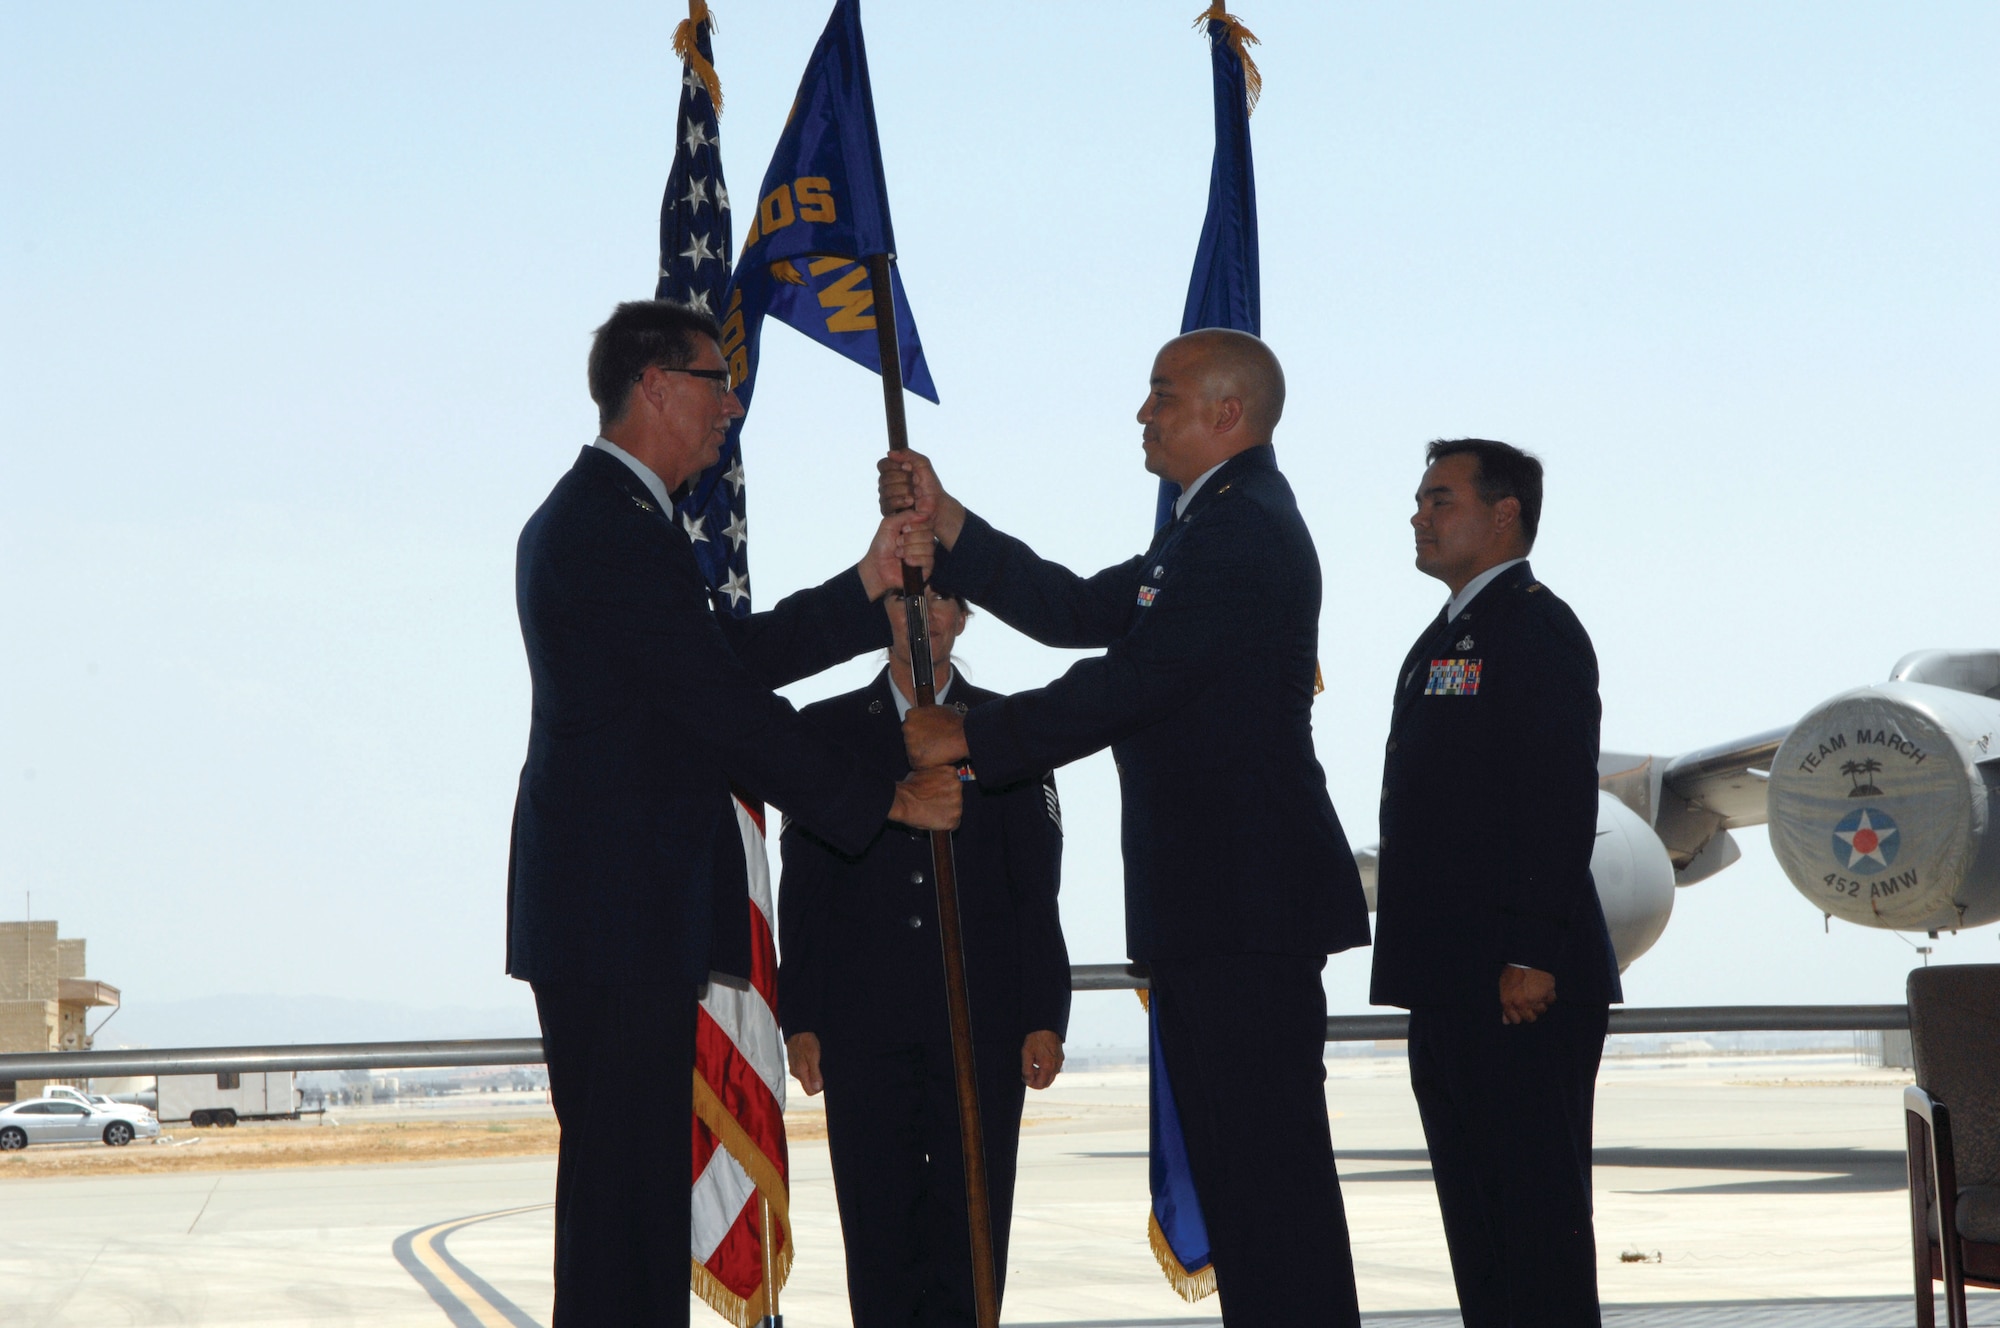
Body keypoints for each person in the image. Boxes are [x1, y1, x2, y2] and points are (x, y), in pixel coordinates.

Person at [884, 328, 1371, 1326]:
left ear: (1225, 412)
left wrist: (968, 736)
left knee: (1269, 1192)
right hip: (1218, 911)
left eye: (1161, 394)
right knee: (1249, 1191)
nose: (1141, 413)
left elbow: (1132, 684)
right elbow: (1072, 607)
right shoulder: (1205, 529)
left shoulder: (1242, 532)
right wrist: (951, 520)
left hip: (1243, 909)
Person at [507, 299, 962, 1328]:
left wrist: (866, 583)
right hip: (618, 917)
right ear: (656, 385)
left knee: (625, 1216)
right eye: (718, 384)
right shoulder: (605, 529)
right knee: (623, 1222)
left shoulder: (617, 521)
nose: (731, 409)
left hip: (614, 915)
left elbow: (726, 659)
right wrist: (882, 799)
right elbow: (719, 707)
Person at [1370, 438, 1620, 1328]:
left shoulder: (1536, 627)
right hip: (1451, 982)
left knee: (1537, 1222)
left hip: (1519, 985)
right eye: (1420, 500)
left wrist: (1529, 946)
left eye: (1440, 499)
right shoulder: (1445, 637)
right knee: (1479, 1223)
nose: (1419, 516)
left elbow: (1554, 797)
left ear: (1504, 514)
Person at [778, 587, 1069, 1327]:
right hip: (862, 1025)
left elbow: (1035, 882)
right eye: (908, 598)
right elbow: (804, 888)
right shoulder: (828, 729)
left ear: (966, 617)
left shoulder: (1009, 726)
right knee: (877, 1228)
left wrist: (1043, 1013)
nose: (924, 615)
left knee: (972, 1229)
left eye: (941, 600)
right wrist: (801, 1016)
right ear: (882, 610)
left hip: (982, 1020)